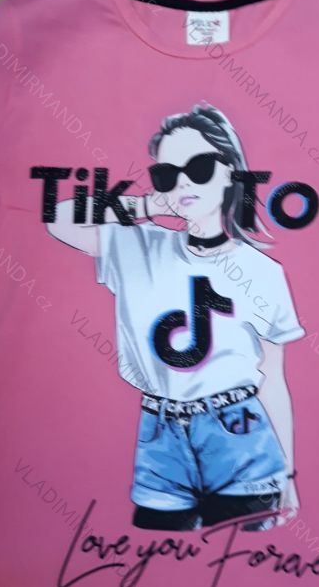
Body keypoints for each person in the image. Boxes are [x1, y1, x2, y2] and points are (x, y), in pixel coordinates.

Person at [46, 103, 305, 531]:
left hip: (239, 434)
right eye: (169, 174)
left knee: (245, 553)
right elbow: (58, 218)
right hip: (159, 434)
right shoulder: (136, 246)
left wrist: (288, 474)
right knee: (158, 550)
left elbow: (272, 379)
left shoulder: (262, 272)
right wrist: (150, 204)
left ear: (230, 170)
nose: (184, 182)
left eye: (199, 167)